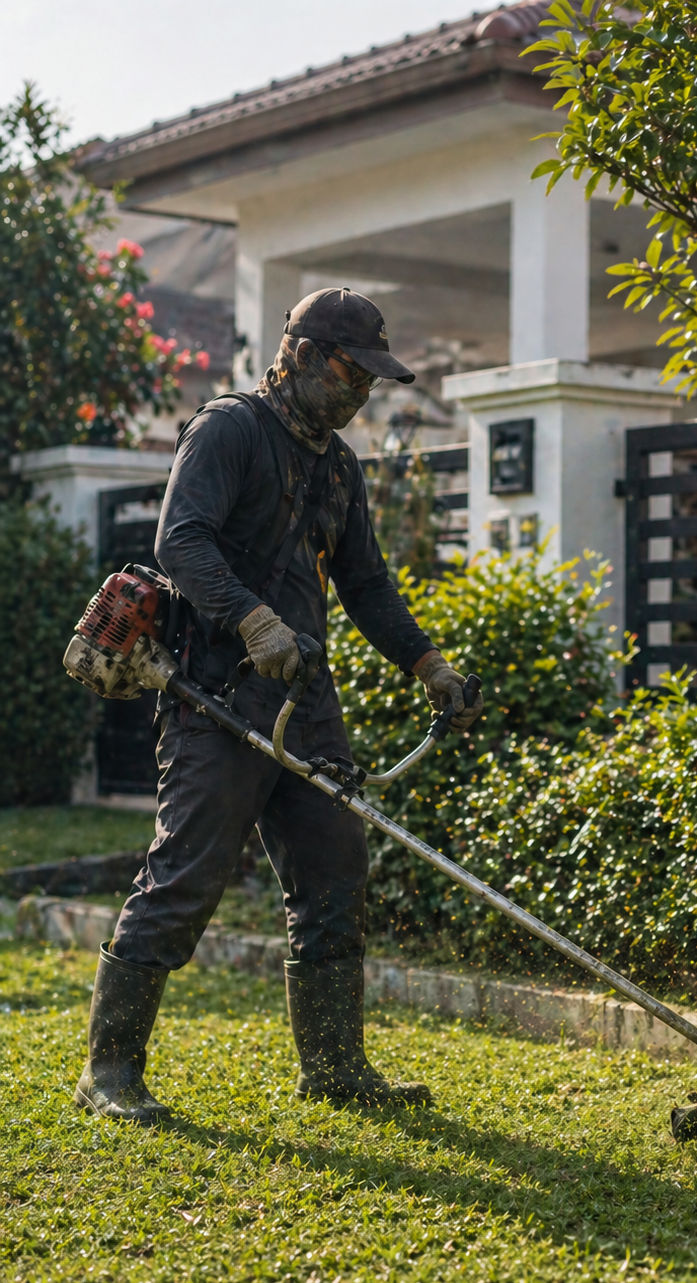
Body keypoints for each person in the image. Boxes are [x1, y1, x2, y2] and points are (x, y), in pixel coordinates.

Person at [74, 288, 483, 1124]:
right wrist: (254, 619)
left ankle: (334, 1068)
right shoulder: (229, 429)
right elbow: (179, 538)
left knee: (335, 870)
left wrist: (429, 664)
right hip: (216, 697)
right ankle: (108, 1071)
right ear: (296, 354)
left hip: (305, 700)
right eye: (348, 371)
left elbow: (365, 583)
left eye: (371, 379)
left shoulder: (338, 466)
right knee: (185, 879)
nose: (360, 393)